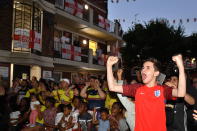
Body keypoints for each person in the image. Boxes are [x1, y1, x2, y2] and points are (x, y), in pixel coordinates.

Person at [106, 54, 186, 131]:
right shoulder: (137, 88)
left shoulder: (163, 89)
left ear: (156, 73)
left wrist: (181, 67)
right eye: (143, 68)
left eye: (147, 68)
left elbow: (181, 93)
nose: (143, 70)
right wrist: (109, 66)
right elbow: (112, 87)